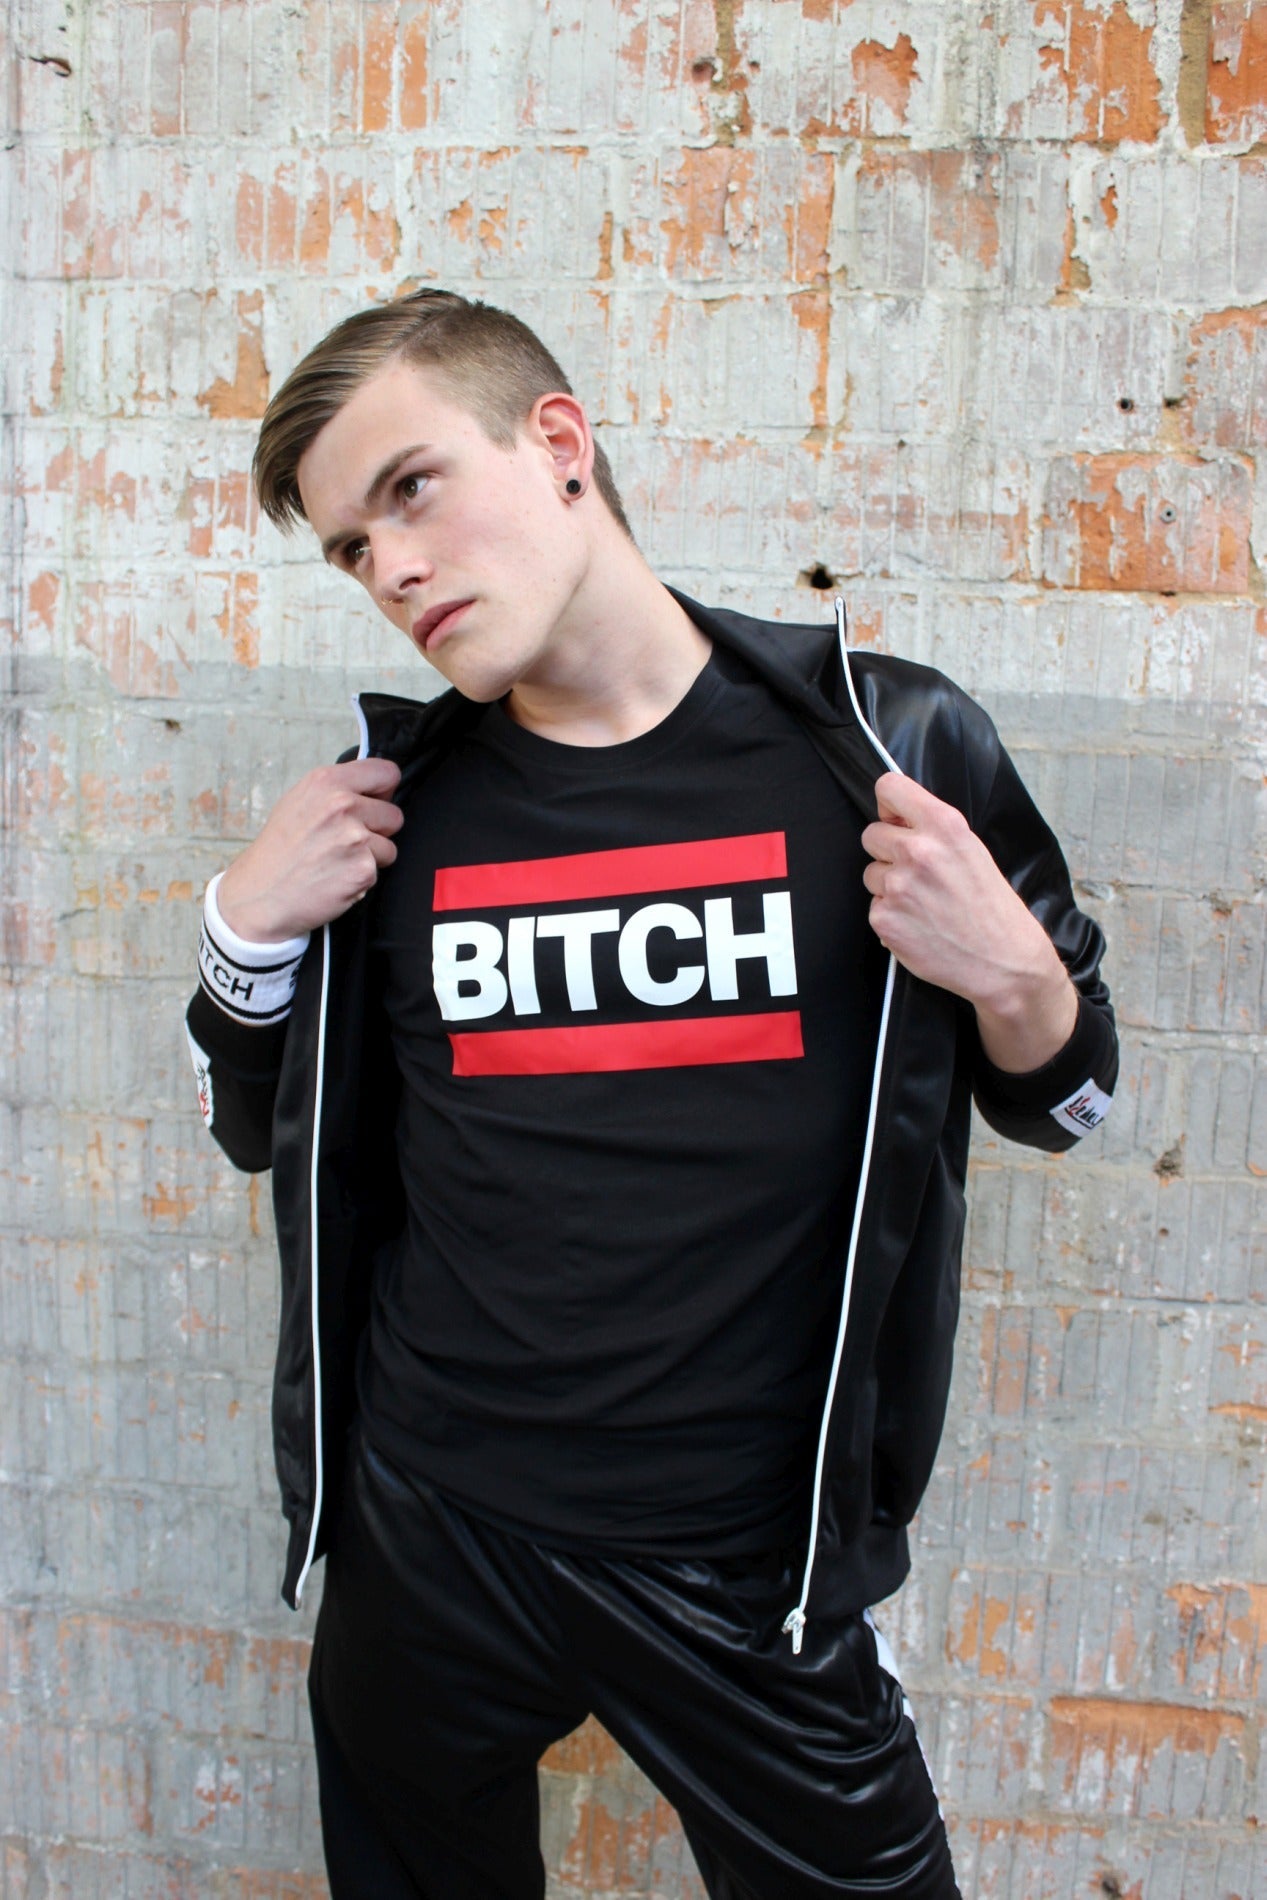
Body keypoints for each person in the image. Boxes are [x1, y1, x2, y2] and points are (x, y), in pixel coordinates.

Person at [185, 289, 1117, 1899]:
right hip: (428, 1531)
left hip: (744, 1567)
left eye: (410, 489)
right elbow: (252, 1129)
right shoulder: (396, 813)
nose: (389, 567)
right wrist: (241, 931)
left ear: (558, 443)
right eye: (348, 546)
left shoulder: (883, 748)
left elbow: (1074, 1100)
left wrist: (1018, 984)